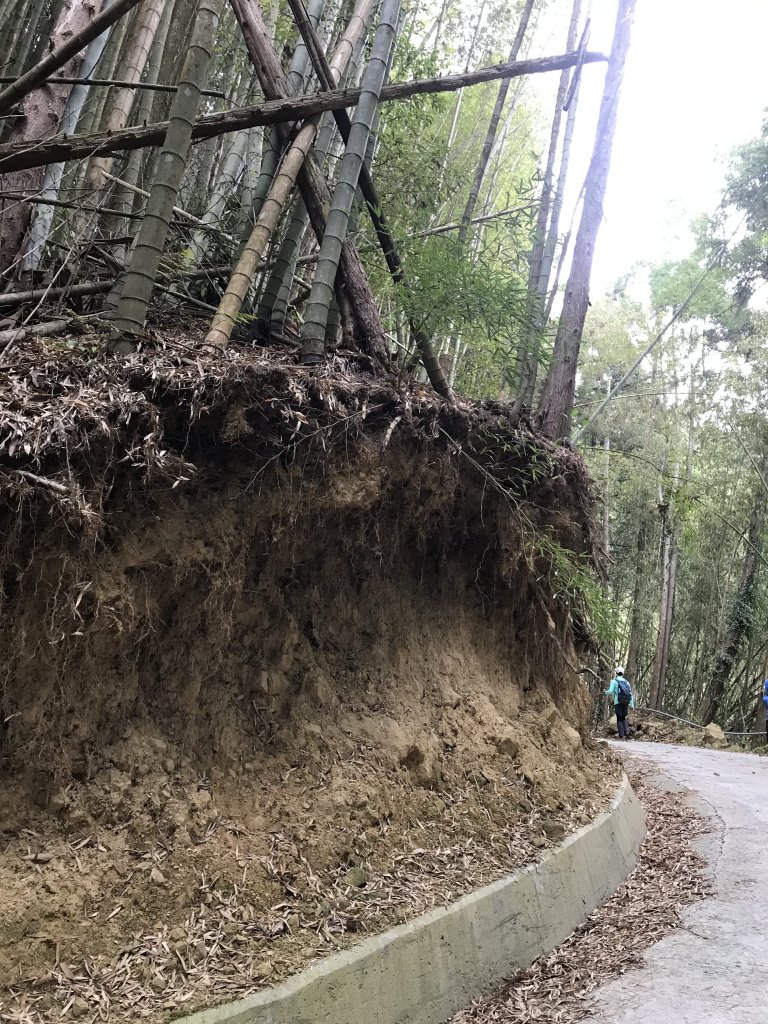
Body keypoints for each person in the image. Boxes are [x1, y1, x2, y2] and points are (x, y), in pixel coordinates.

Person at [606, 666, 634, 740]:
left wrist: (605, 692)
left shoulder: (614, 681)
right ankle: (627, 731)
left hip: (617, 701)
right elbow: (630, 694)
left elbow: (610, 691)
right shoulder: (627, 682)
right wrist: (632, 704)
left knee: (619, 718)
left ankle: (621, 735)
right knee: (624, 717)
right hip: (626, 702)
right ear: (623, 673)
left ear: (616, 673)